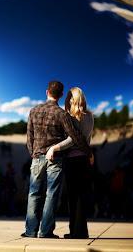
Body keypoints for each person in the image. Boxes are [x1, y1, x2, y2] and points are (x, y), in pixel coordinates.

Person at [22, 81, 91, 239]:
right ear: (60, 95)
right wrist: (88, 151)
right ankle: (45, 232)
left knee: (34, 194)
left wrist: (33, 153)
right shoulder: (62, 114)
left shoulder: (33, 110)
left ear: (47, 92)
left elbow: (29, 136)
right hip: (56, 158)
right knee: (51, 195)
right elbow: (74, 136)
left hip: (37, 157)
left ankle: (30, 231)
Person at [46, 87, 94, 239]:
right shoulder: (90, 116)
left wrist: (56, 147)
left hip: (72, 160)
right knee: (80, 196)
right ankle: (80, 231)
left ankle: (76, 231)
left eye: (68, 98)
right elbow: (86, 140)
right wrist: (89, 154)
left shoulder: (71, 117)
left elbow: (72, 140)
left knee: (73, 196)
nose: (66, 100)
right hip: (84, 159)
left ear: (73, 99)